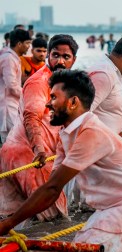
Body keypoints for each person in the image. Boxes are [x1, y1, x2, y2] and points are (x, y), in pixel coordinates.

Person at [0, 70, 122, 252]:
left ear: (73, 102)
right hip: (110, 209)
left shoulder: (91, 132)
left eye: (54, 97)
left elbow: (52, 189)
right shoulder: (68, 133)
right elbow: (50, 186)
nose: (48, 103)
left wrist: (7, 224)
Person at [0, 34, 79, 222]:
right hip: (30, 156)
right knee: (54, 219)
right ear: (48, 56)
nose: (60, 61)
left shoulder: (65, 84)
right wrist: (39, 149)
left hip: (33, 155)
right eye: (55, 55)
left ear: (74, 60)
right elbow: (31, 117)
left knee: (20, 218)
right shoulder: (40, 82)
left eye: (66, 57)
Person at [87, 36, 122, 134]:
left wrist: (116, 132)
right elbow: (82, 114)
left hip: (109, 141)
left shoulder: (116, 73)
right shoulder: (104, 75)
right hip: (97, 142)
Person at [0, 29, 31, 142]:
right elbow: (12, 86)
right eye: (27, 43)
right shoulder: (8, 58)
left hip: (12, 104)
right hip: (7, 107)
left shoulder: (10, 56)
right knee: (13, 141)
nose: (29, 47)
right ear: (19, 44)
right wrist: (28, 95)